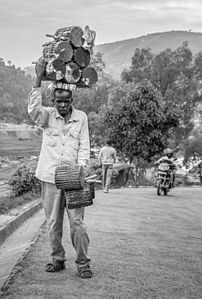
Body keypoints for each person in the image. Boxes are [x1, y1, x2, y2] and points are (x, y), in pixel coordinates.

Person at [27, 58, 92, 278]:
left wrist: (82, 167)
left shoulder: (81, 118)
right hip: (49, 177)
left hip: (74, 179)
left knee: (78, 224)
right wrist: (38, 77)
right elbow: (33, 110)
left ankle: (83, 263)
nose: (62, 105)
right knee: (53, 222)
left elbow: (84, 146)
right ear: (53, 101)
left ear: (71, 100)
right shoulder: (46, 116)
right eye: (58, 101)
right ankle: (57, 259)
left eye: (65, 101)